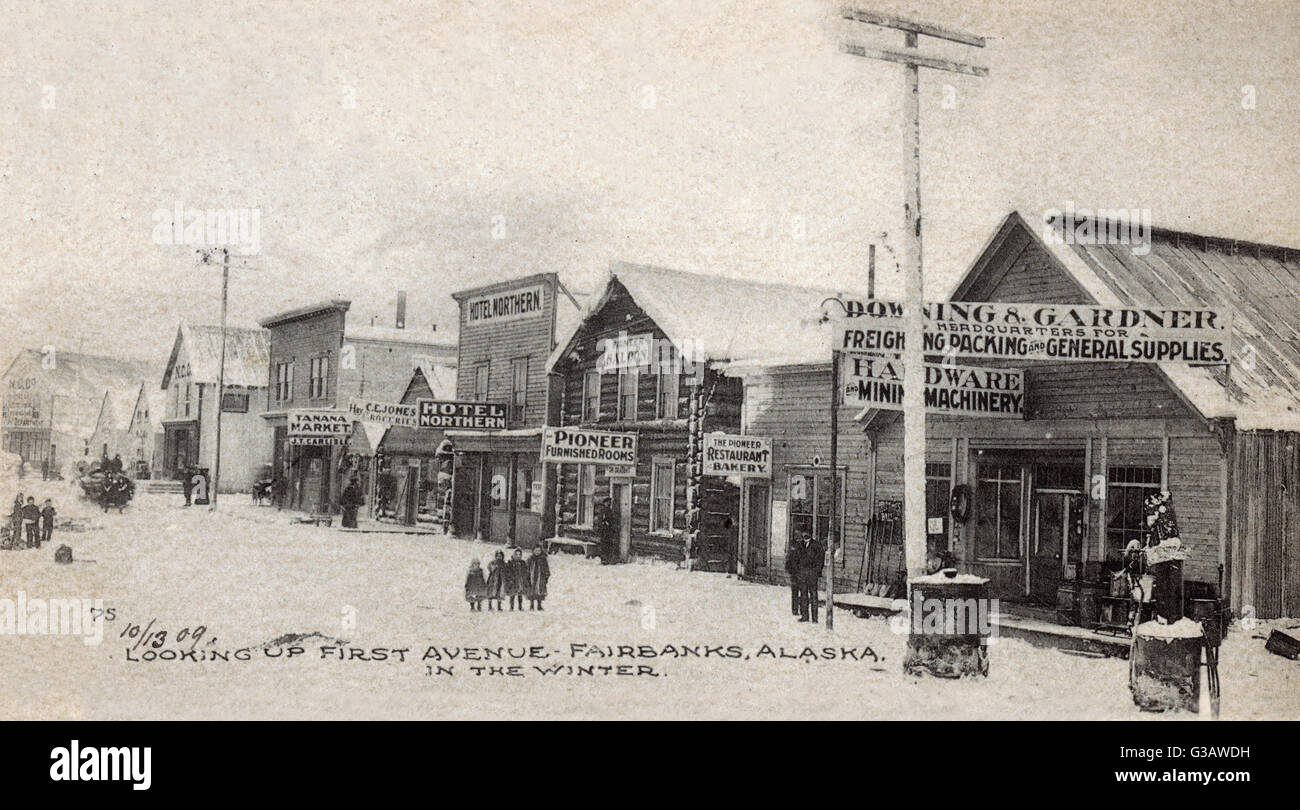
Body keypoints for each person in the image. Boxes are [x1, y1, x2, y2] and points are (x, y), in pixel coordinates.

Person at [796, 532, 825, 623]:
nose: (805, 535)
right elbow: (796, 558)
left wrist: (816, 571)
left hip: (812, 575)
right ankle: (804, 616)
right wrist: (798, 570)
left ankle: (814, 618)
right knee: (803, 595)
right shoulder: (800, 545)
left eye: (807, 533)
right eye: (803, 533)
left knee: (813, 595)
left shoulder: (817, 546)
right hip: (802, 574)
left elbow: (821, 560)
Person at [785, 533, 805, 616]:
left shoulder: (801, 550)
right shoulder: (794, 552)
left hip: (799, 574)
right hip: (796, 574)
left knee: (799, 593)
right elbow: (788, 564)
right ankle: (796, 610)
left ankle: (797, 610)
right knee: (797, 592)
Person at [593, 495, 617, 564]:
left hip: (609, 531)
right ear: (604, 503)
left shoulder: (610, 510)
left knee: (609, 544)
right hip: (604, 530)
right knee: (604, 545)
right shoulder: (603, 510)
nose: (608, 504)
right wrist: (604, 524)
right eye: (607, 502)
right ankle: (604, 559)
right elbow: (600, 520)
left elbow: (612, 520)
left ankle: (608, 559)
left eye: (609, 502)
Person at [527, 545, 551, 611]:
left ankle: (539, 605)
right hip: (532, 577)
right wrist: (527, 576)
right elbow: (527, 568)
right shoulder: (530, 559)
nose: (537, 552)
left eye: (539, 551)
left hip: (540, 577)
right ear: (533, 551)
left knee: (540, 591)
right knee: (531, 591)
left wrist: (546, 576)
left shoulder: (543, 560)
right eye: (536, 550)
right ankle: (531, 605)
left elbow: (546, 568)